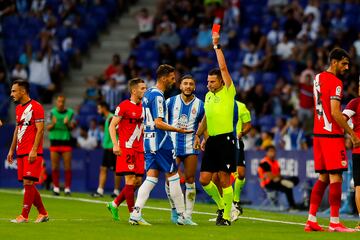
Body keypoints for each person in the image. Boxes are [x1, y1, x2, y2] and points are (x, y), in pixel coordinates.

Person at [129, 64, 193, 225]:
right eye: (172, 78)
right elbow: (158, 123)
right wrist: (177, 129)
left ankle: (135, 213)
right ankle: (181, 216)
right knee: (174, 175)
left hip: (148, 141)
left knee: (151, 177)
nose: (174, 81)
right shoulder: (157, 96)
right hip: (161, 141)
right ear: (163, 78)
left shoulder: (148, 92)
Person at [305, 48, 360, 232]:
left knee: (322, 177)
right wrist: (352, 134)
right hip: (331, 135)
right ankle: (335, 222)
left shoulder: (317, 78)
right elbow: (336, 112)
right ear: (334, 62)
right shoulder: (336, 82)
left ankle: (311, 219)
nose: (346, 67)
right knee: (336, 177)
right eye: (343, 63)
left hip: (318, 133)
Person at [194, 31, 237, 226]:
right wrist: (199, 135)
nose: (208, 84)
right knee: (204, 180)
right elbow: (206, 118)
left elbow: (223, 66)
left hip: (226, 140)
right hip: (211, 141)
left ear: (221, 81)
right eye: (207, 81)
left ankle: (226, 216)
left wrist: (216, 46)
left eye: (212, 81)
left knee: (223, 178)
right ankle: (222, 206)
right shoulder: (208, 97)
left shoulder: (228, 91)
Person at [7, 80, 49, 223]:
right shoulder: (18, 109)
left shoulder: (36, 107)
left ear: (23, 91)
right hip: (21, 151)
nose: (11, 94)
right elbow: (17, 130)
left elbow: (40, 129)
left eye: (14, 91)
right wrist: (12, 149)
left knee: (28, 183)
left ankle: (24, 216)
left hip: (32, 151)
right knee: (28, 184)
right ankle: (43, 213)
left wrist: (34, 150)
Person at [165, 75, 205, 225]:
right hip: (172, 145)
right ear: (180, 86)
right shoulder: (170, 102)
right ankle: (174, 209)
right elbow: (160, 121)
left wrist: (204, 138)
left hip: (190, 146)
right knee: (171, 180)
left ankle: (188, 215)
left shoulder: (200, 105)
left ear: (194, 87)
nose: (188, 86)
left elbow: (204, 123)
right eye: (185, 84)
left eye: (191, 84)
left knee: (190, 179)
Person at [106, 78, 147, 222]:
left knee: (137, 182)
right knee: (130, 180)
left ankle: (114, 203)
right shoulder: (123, 106)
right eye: (142, 88)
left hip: (140, 149)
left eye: (145, 88)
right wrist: (115, 144)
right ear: (134, 91)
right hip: (126, 147)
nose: (145, 90)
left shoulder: (145, 106)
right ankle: (133, 215)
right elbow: (112, 126)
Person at [91, 101, 121, 198]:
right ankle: (100, 191)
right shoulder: (107, 118)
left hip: (112, 148)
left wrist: (115, 144)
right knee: (103, 168)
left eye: (99, 107)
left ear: (104, 108)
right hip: (107, 148)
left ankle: (116, 191)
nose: (98, 110)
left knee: (116, 170)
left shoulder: (111, 117)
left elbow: (118, 130)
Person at [47, 95, 75, 196]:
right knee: (55, 167)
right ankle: (56, 188)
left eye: (62, 102)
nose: (61, 103)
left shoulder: (70, 113)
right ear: (56, 102)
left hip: (66, 142)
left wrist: (67, 124)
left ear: (65, 102)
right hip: (54, 142)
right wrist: (53, 124)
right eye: (59, 101)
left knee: (67, 167)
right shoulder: (51, 113)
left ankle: (67, 188)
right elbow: (48, 128)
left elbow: (73, 127)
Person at [342, 83, 360, 230]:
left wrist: (352, 134)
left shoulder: (355, 102)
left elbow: (341, 119)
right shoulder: (355, 102)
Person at [231, 100, 252, 220]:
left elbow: (248, 124)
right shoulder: (219, 104)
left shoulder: (240, 106)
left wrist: (242, 133)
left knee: (241, 174)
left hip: (237, 142)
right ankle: (224, 207)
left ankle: (236, 201)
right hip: (222, 142)